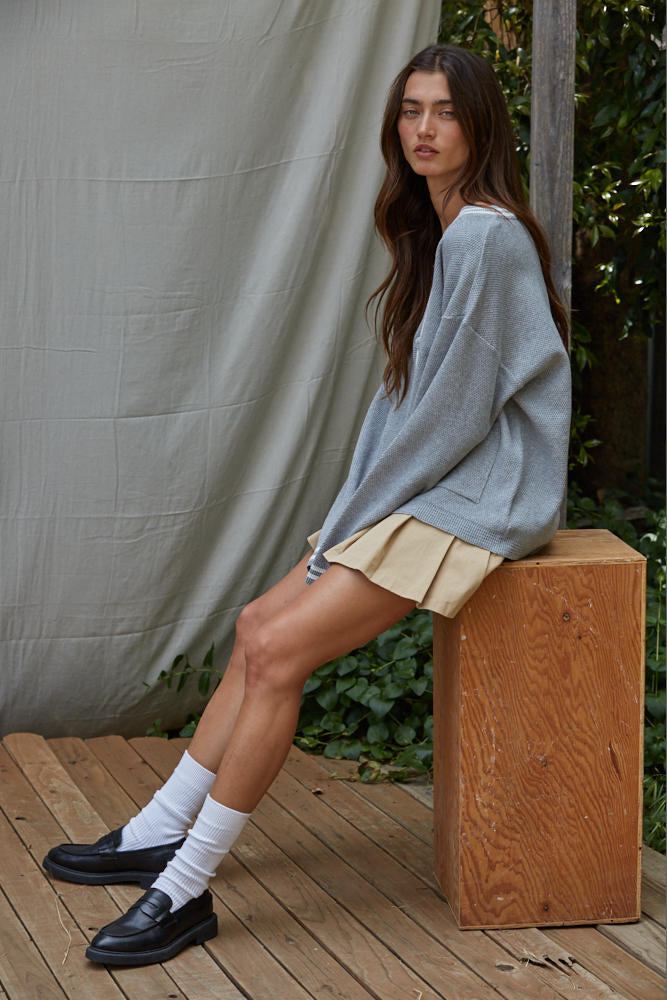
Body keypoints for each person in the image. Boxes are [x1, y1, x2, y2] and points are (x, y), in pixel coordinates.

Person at [43, 43, 571, 967]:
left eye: (446, 112)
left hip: (481, 494)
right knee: (256, 626)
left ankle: (184, 887)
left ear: (480, 126)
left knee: (280, 650)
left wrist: (360, 514)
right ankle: (159, 831)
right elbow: (408, 406)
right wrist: (355, 506)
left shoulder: (483, 237)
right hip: (437, 482)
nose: (423, 129)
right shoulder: (444, 231)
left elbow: (452, 417)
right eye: (410, 110)